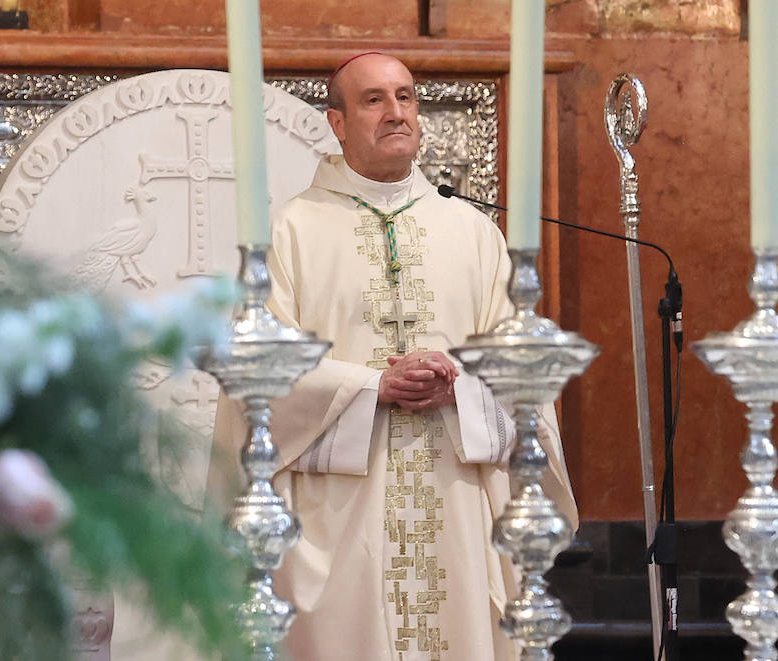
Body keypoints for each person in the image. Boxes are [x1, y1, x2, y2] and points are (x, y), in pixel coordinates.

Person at [209, 52, 575, 661]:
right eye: (373, 100)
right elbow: (255, 365)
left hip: (454, 504)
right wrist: (368, 386)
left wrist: (456, 385)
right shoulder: (290, 232)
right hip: (338, 517)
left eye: (405, 97)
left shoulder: (473, 232)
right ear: (337, 122)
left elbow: (522, 364)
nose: (395, 112)